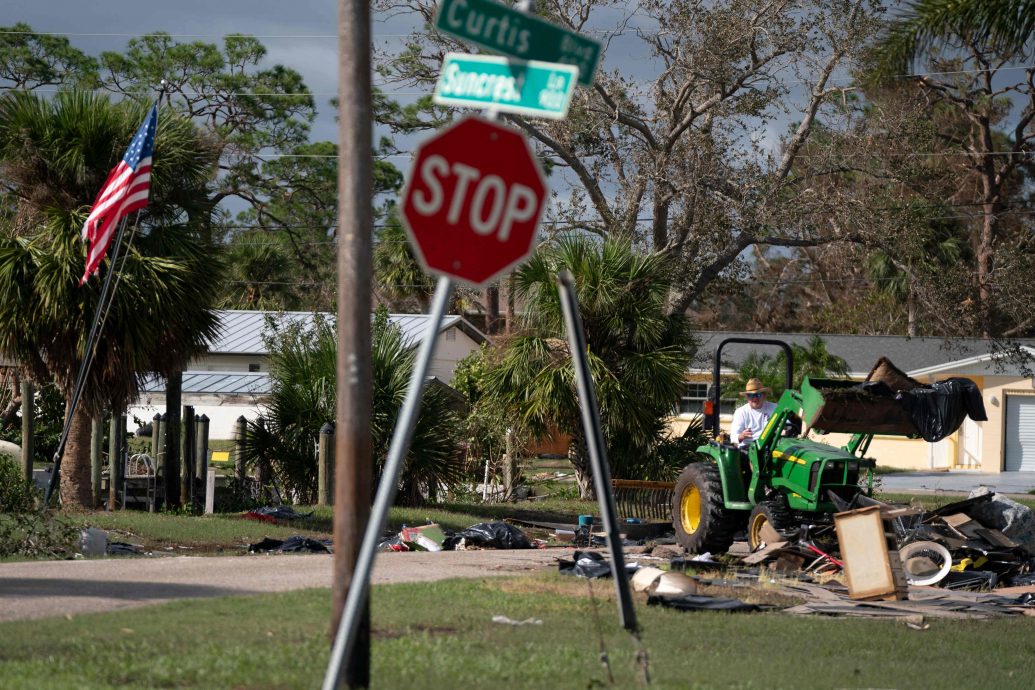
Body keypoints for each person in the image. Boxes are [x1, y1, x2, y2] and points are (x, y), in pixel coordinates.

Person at [730, 378, 777, 447]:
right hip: (749, 448)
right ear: (746, 397)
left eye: (757, 395)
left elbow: (787, 425)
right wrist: (741, 436)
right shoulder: (741, 412)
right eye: (750, 395)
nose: (754, 398)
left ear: (763, 395)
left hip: (770, 446)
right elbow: (733, 437)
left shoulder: (774, 407)